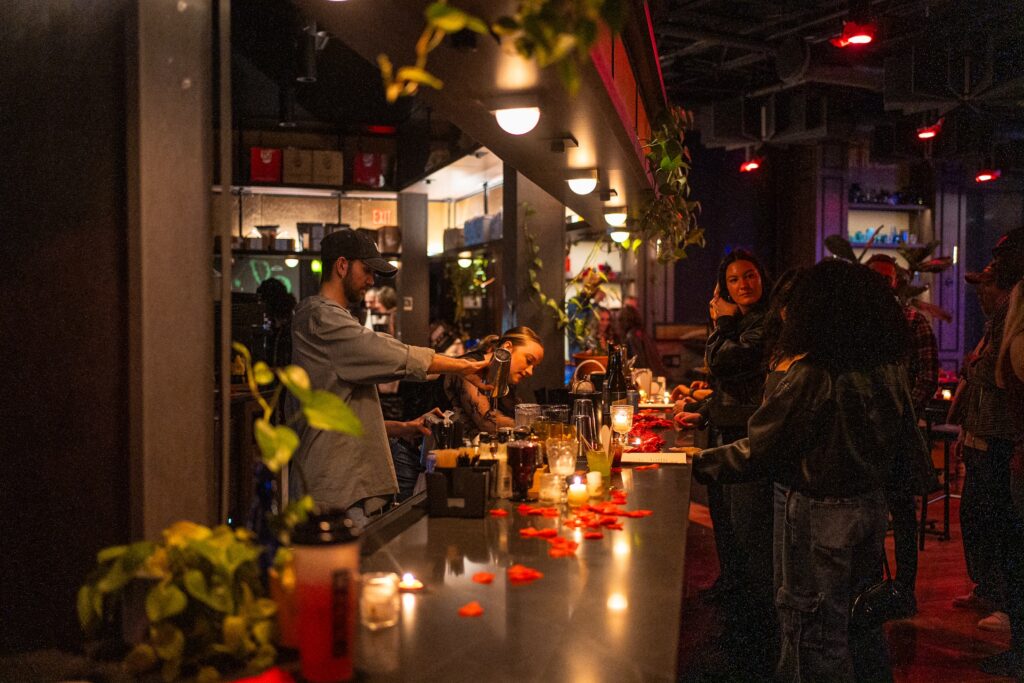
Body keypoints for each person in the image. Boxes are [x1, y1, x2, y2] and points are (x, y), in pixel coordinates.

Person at [693, 258, 920, 682]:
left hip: (819, 515)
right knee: (860, 628)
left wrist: (697, 462)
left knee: (813, 634)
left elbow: (763, 447)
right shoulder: (886, 368)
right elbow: (910, 453)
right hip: (870, 509)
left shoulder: (815, 371)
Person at [289, 229, 489, 528]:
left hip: (346, 490)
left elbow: (340, 416)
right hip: (336, 496)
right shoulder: (322, 319)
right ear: (342, 265)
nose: (371, 281)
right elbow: (393, 354)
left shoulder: (329, 319)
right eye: (367, 270)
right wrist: (463, 367)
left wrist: (403, 427)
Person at [679, 248, 775, 674]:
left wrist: (722, 322)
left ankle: (752, 630)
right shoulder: (737, 321)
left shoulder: (765, 321)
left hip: (749, 434)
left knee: (749, 528)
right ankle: (733, 595)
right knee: (726, 520)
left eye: (749, 276)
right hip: (726, 426)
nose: (743, 285)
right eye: (734, 280)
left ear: (762, 278)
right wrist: (702, 412)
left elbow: (727, 361)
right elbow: (723, 380)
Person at [948, 255, 1019, 635]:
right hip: (980, 433)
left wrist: (974, 364)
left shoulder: (1010, 320)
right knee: (975, 517)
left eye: (985, 285)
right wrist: (963, 431)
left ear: (1006, 287)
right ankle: (988, 589)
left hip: (997, 437)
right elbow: (975, 372)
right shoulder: (994, 323)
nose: (979, 293)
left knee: (996, 520)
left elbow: (989, 372)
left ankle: (1005, 601)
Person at [866, 253, 939, 617]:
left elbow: (927, 380)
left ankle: (905, 590)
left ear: (896, 282)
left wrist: (897, 414)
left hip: (899, 435)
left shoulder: (913, 323)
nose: (882, 285)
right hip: (864, 435)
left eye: (887, 279)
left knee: (903, 513)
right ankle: (871, 585)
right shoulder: (855, 326)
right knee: (867, 513)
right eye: (875, 278)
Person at [441, 327, 544, 439]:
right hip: (441, 451)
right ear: (507, 347)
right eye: (528, 361)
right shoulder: (469, 368)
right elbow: (487, 423)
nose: (530, 372)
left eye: (534, 367)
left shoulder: (506, 381)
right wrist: (540, 428)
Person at [617, 303, 669, 378]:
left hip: (647, 376)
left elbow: (638, 361)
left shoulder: (631, 336)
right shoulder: (641, 333)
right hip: (656, 374)